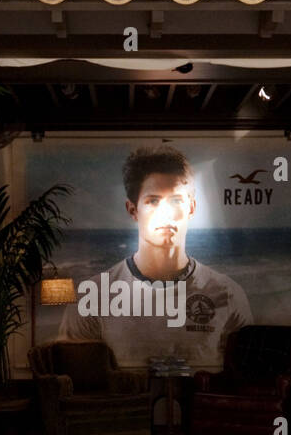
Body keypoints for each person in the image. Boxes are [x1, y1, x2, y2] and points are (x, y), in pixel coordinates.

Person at [59, 145, 252, 368]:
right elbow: (78, 383)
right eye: (153, 201)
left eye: (176, 201)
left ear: (191, 208)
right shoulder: (92, 298)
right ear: (133, 210)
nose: (166, 213)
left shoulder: (228, 294)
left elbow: (240, 379)